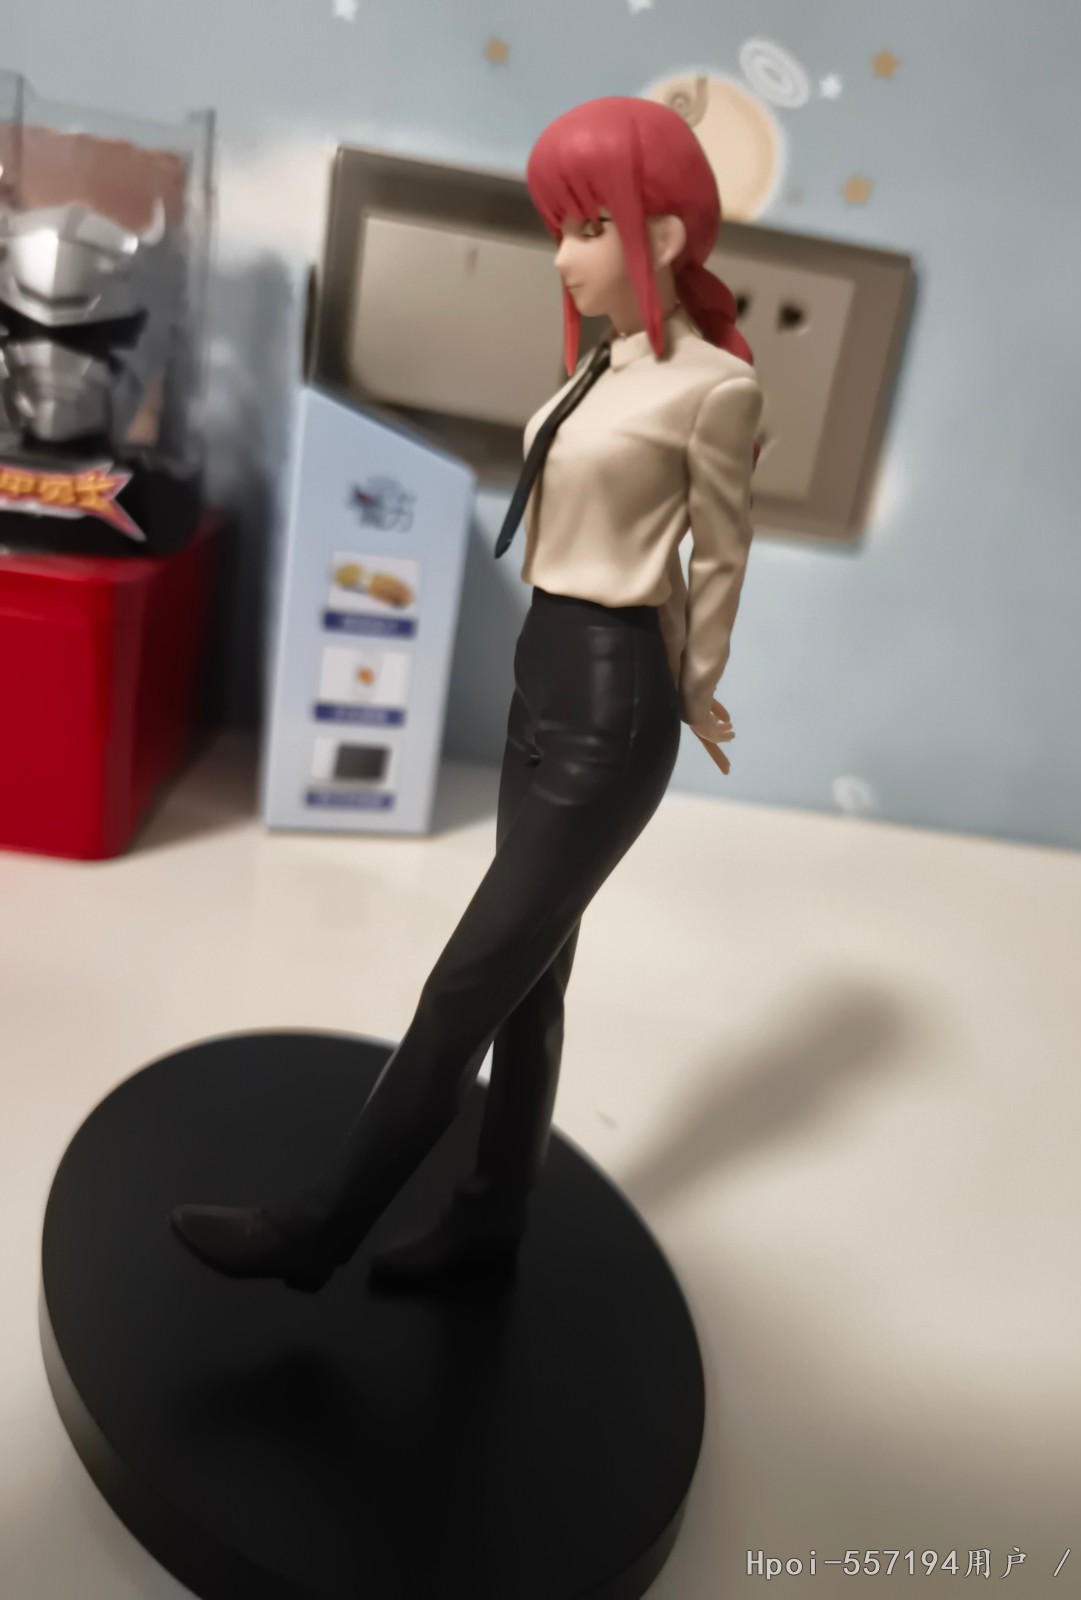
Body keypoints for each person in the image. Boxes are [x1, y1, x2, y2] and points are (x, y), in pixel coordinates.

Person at [168, 95, 764, 1293]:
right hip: (544, 668)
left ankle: (317, 1229)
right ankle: (494, 1215)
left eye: (587, 227)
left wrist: (697, 685)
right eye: (559, 227)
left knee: (463, 987)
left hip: (612, 701)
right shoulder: (601, 366)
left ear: (659, 236)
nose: (562, 256)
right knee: (532, 985)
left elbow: (720, 556)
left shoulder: (712, 388)